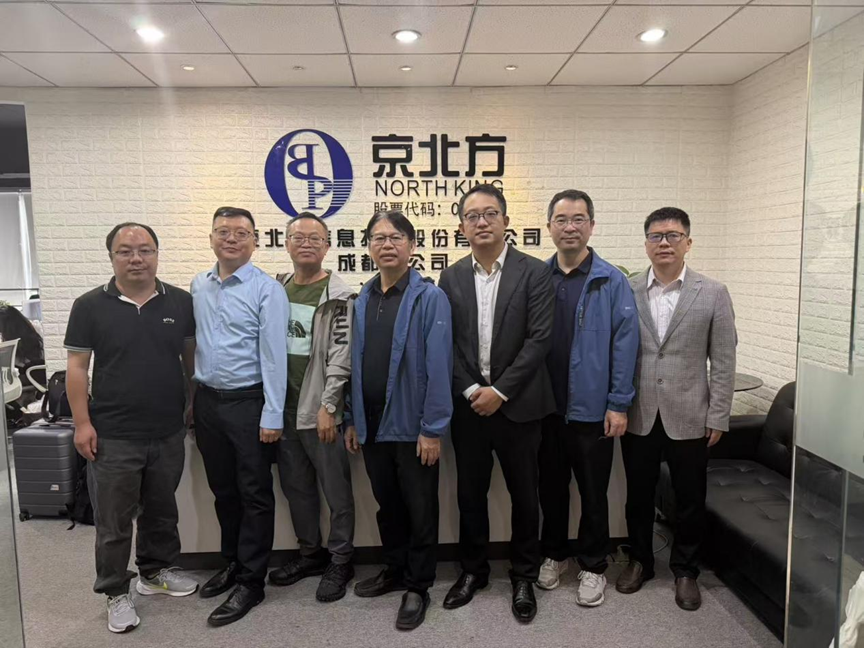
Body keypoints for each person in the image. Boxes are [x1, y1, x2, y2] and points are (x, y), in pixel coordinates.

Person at [64, 222, 198, 634]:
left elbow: (190, 360)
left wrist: (191, 405)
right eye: (125, 251)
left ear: (157, 254)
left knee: (161, 510)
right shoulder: (89, 305)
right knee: (114, 522)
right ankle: (114, 591)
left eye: (145, 250)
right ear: (112, 257)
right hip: (113, 433)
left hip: (167, 429)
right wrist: (82, 423)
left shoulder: (181, 302)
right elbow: (77, 368)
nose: (136, 258)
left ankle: (154, 573)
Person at [438, 183, 554, 623]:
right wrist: (472, 390)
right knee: (470, 495)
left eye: (490, 213)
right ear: (462, 226)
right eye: (472, 216)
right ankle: (473, 571)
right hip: (469, 409)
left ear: (506, 220)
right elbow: (445, 344)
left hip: (519, 407)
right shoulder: (451, 277)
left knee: (525, 496)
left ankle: (524, 575)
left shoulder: (534, 272)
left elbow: (539, 339)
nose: (481, 222)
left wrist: (500, 391)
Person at [617, 206, 737, 611]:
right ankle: (640, 561)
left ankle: (685, 570)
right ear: (646, 244)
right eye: (656, 236)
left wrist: (718, 414)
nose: (664, 243)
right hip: (639, 412)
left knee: (689, 497)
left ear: (688, 242)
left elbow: (724, 360)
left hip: (691, 413)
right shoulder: (628, 289)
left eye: (673, 235)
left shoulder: (713, 292)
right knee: (638, 495)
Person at [344, 210, 453, 631]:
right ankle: (394, 568)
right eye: (378, 238)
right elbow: (354, 365)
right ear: (369, 247)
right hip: (371, 426)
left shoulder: (429, 298)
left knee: (420, 508)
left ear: (411, 246)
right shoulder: (364, 298)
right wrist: (352, 418)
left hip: (413, 427)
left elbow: (439, 366)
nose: (386, 244)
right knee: (387, 506)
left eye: (395, 237)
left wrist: (432, 428)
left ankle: (418, 585)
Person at [536, 190, 639, 607]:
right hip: (545, 409)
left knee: (594, 493)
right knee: (551, 490)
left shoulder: (611, 281)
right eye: (561, 220)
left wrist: (618, 402)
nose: (570, 227)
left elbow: (625, 346)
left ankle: (594, 565)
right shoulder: (537, 277)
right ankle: (554, 554)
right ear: (549, 227)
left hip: (593, 411)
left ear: (592, 226)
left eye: (578, 219)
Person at [191, 206, 290, 626]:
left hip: (249, 403)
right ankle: (232, 562)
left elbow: (274, 356)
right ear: (211, 237)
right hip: (207, 402)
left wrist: (272, 414)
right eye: (223, 231)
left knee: (254, 493)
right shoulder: (199, 284)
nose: (231, 239)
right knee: (223, 490)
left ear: (255, 240)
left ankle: (252, 581)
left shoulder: (268, 290)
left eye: (241, 233)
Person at [268, 212, 356, 603]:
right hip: (281, 410)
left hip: (319, 411)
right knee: (297, 489)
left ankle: (341, 559)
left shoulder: (339, 297)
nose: (306, 243)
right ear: (286, 243)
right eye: (298, 237)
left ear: (327, 246)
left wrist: (329, 405)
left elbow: (341, 355)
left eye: (315, 238)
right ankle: (310, 554)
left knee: (336, 491)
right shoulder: (275, 290)